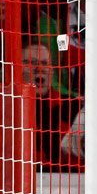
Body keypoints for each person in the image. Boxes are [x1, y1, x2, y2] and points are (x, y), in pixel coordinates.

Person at [23, 40, 81, 171]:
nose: (40, 69)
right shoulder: (1, 106)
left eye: (45, 63)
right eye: (31, 63)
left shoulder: (72, 107)